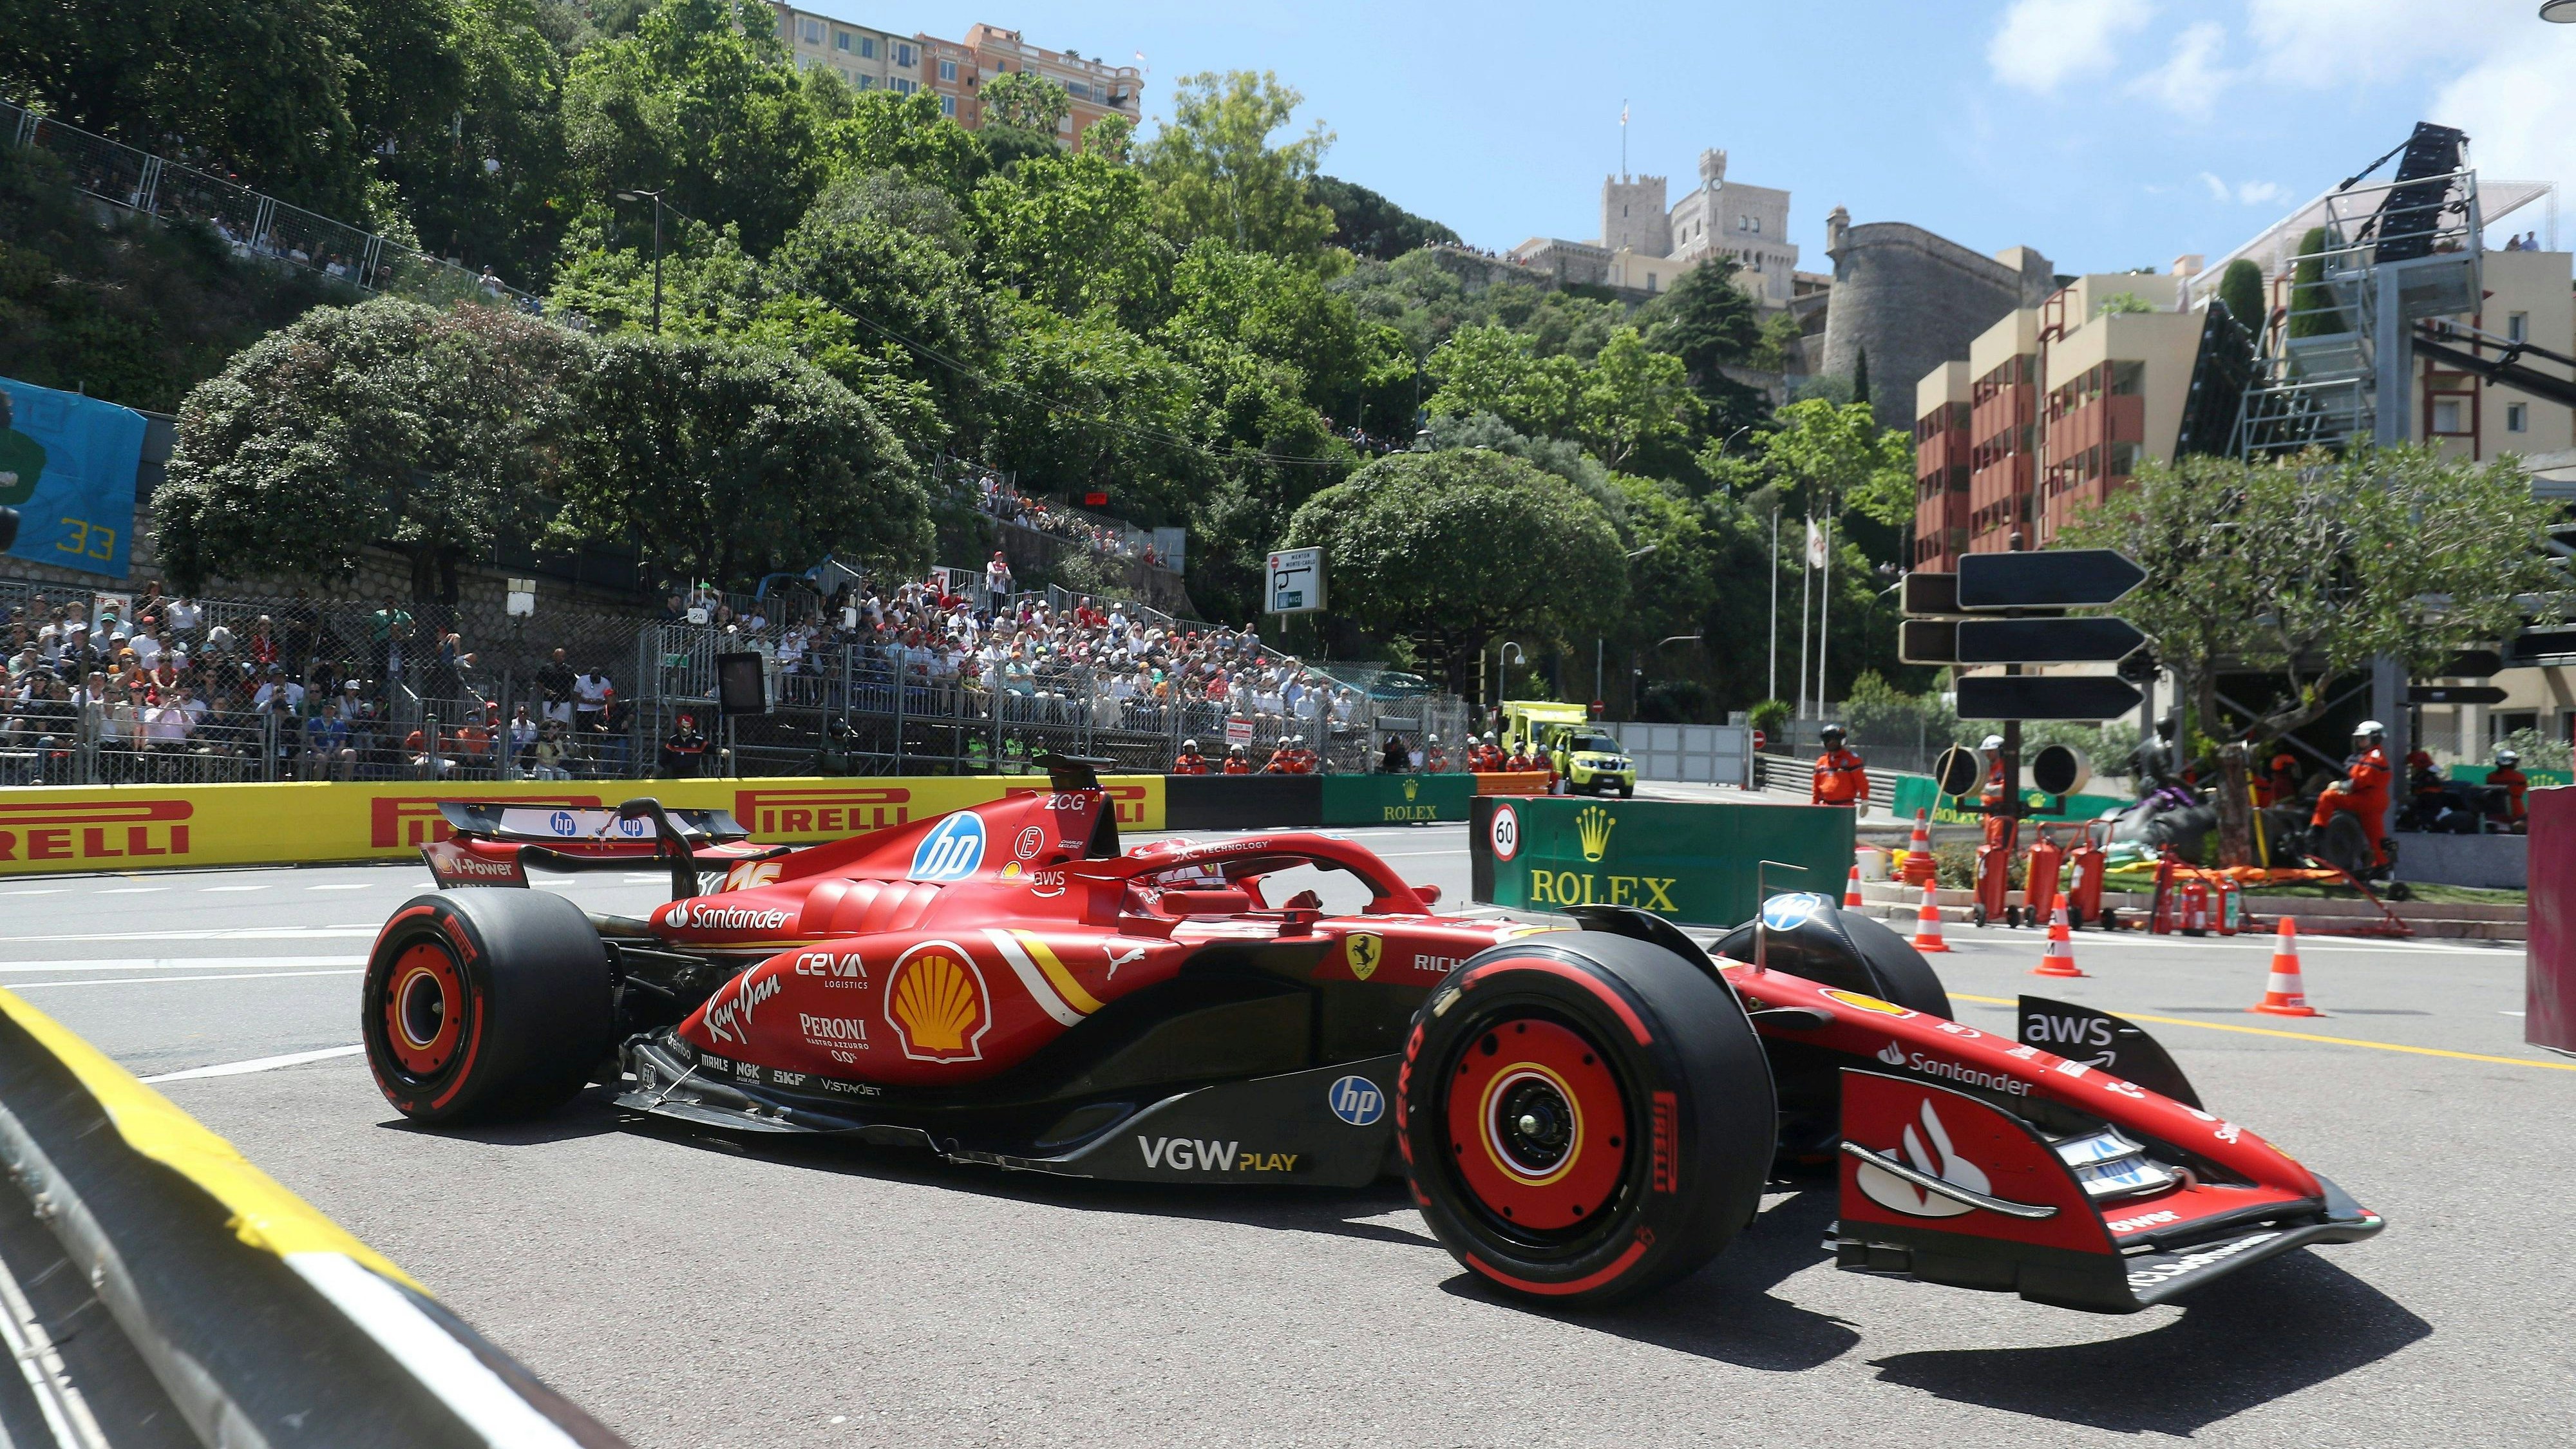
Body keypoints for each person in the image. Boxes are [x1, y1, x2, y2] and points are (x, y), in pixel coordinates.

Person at [2311, 719, 2394, 869]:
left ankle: (2317, 833)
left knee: (2328, 797)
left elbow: (2362, 780)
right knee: (2377, 838)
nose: (2359, 742)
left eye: (2363, 738)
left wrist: (2341, 786)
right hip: (2374, 800)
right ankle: (2383, 867)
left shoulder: (2374, 757)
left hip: (2367, 799)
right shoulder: (2372, 755)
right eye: (2359, 739)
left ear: (2374, 738)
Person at [1811, 723, 1870, 808]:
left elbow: (1861, 782)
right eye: (1828, 739)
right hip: (1825, 806)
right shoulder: (1821, 762)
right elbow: (1816, 788)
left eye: (1834, 739)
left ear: (1841, 741)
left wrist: (1865, 801)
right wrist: (1814, 805)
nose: (1831, 742)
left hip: (1845, 807)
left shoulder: (1852, 760)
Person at [2489, 748, 2530, 831]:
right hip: (2517, 813)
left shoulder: (2491, 777)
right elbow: (2523, 789)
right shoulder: (2520, 777)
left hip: (2496, 814)